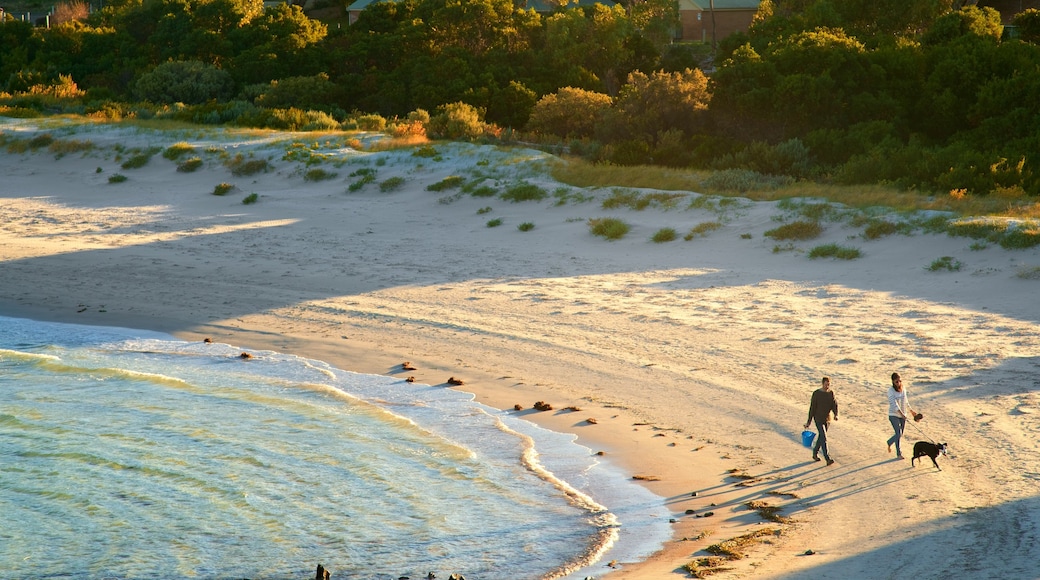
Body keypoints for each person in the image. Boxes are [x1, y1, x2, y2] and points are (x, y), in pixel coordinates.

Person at [804, 376, 838, 465]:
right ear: (822, 384)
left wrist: (835, 414)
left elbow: (834, 404)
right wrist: (809, 421)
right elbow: (812, 408)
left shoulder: (831, 393)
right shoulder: (816, 394)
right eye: (826, 385)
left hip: (827, 419)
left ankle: (815, 453)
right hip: (818, 418)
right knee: (824, 437)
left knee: (821, 437)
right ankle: (828, 458)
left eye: (829, 385)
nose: (827, 387)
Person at [887, 372, 918, 459]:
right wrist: (901, 414)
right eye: (897, 382)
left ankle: (889, 442)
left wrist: (911, 411)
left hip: (903, 415)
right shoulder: (890, 391)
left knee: (900, 434)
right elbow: (894, 404)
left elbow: (906, 401)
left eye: (900, 381)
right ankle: (899, 453)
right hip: (893, 414)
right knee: (898, 433)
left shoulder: (903, 388)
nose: (899, 383)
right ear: (893, 382)